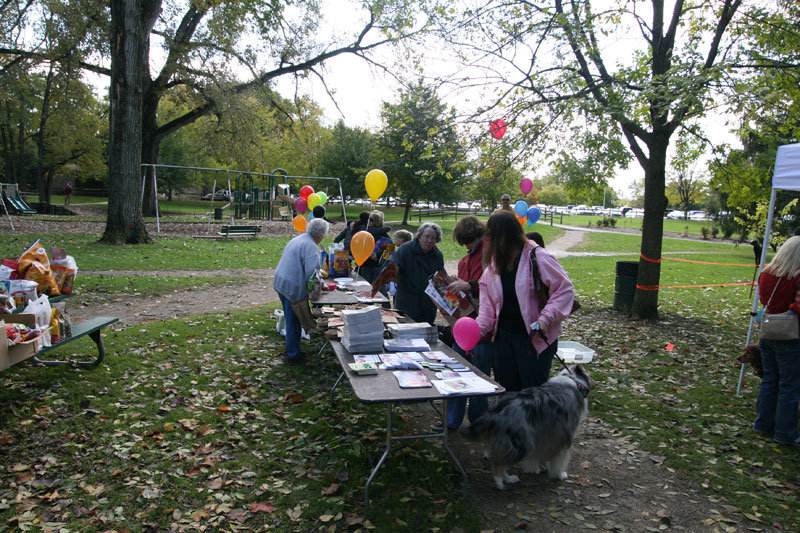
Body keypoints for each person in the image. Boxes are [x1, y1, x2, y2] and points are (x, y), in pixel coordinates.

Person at [476, 210, 574, 391]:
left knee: (532, 394)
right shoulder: (495, 264)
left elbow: (564, 290)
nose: (488, 240)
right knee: (509, 393)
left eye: (491, 235)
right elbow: (487, 304)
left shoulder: (538, 257)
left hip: (532, 340)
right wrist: (477, 330)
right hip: (504, 339)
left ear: (504, 235)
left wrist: (545, 319)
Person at [445, 215, 494, 430]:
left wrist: (470, 285)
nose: (468, 246)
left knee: (480, 375)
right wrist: (456, 283)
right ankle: (452, 421)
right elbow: (466, 287)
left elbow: (493, 284)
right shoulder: (466, 260)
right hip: (463, 325)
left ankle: (478, 422)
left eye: (470, 241)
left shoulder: (489, 254)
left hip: (483, 327)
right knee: (456, 371)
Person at [754, 236, 800, 447]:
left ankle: (762, 424)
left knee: (770, 380)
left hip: (768, 332)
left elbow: (765, 301)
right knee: (789, 386)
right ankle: (785, 433)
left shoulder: (766, 274)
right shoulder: (796, 278)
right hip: (790, 336)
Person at [273, 218, 330, 365]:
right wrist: (321, 285)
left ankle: (293, 349)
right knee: (294, 320)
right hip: (291, 285)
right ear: (320, 235)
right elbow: (312, 274)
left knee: (292, 318)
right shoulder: (311, 246)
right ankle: (293, 354)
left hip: (282, 281)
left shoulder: (299, 239)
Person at [390, 222, 445, 324]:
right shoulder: (405, 249)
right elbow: (392, 267)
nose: (429, 241)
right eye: (426, 237)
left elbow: (441, 277)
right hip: (407, 303)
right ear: (419, 236)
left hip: (427, 306)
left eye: (433, 238)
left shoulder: (437, 256)